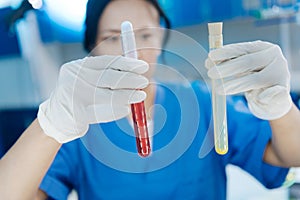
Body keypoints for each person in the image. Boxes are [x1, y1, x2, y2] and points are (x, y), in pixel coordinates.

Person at [0, 0, 300, 199]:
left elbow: (290, 157)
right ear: (92, 45)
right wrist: (49, 125)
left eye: (145, 36)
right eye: (114, 37)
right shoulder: (76, 129)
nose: (133, 52)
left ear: (161, 40)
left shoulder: (203, 104)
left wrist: (281, 108)